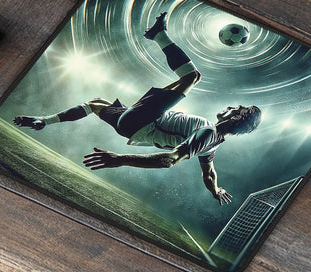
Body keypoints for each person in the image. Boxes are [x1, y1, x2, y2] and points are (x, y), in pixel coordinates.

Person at [13, 11, 261, 203]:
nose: (230, 107)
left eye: (236, 108)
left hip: (143, 121)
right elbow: (209, 174)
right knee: (95, 104)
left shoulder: (208, 133)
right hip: (130, 128)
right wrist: (216, 190)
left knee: (193, 77)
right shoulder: (211, 145)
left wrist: (120, 159)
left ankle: (158, 35)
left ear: (238, 117)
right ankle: (43, 121)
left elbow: (170, 160)